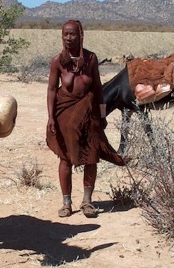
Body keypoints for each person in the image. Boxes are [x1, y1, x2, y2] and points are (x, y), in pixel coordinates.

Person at [46, 19, 127, 218]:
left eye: (72, 34)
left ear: (81, 35)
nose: (68, 37)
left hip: (89, 113)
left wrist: (101, 114)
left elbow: (98, 88)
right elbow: (50, 90)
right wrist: (50, 118)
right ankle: (66, 203)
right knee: (65, 158)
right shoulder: (57, 61)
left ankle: (87, 202)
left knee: (91, 156)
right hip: (64, 113)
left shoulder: (91, 59)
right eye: (65, 33)